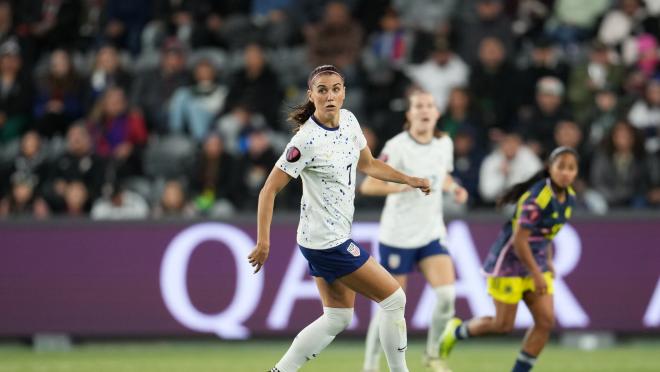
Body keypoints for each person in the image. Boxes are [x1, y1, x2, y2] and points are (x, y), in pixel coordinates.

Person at [247, 65, 431, 372]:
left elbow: (370, 165)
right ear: (312, 96)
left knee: (338, 317)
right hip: (326, 241)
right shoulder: (305, 141)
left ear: (344, 92)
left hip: (327, 237)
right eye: (322, 90)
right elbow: (269, 190)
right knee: (394, 300)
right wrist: (263, 241)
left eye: (335, 89)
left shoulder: (349, 121)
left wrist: (408, 179)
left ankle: (280, 371)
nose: (330, 95)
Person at [439, 146, 580, 372]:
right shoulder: (537, 199)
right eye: (561, 166)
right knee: (502, 325)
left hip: (537, 263)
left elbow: (547, 232)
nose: (566, 172)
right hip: (509, 265)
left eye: (571, 168)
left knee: (545, 322)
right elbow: (519, 241)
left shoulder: (569, 197)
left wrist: (549, 261)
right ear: (549, 169)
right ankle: (455, 331)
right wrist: (537, 273)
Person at [359, 89, 468, 372]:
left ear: (436, 113)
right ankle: (370, 365)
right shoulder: (397, 146)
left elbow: (440, 175)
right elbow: (368, 185)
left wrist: (454, 187)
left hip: (431, 232)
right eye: (418, 105)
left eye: (429, 105)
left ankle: (432, 355)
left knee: (446, 297)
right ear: (409, 114)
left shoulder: (444, 144)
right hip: (398, 236)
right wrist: (402, 185)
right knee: (391, 306)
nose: (424, 110)